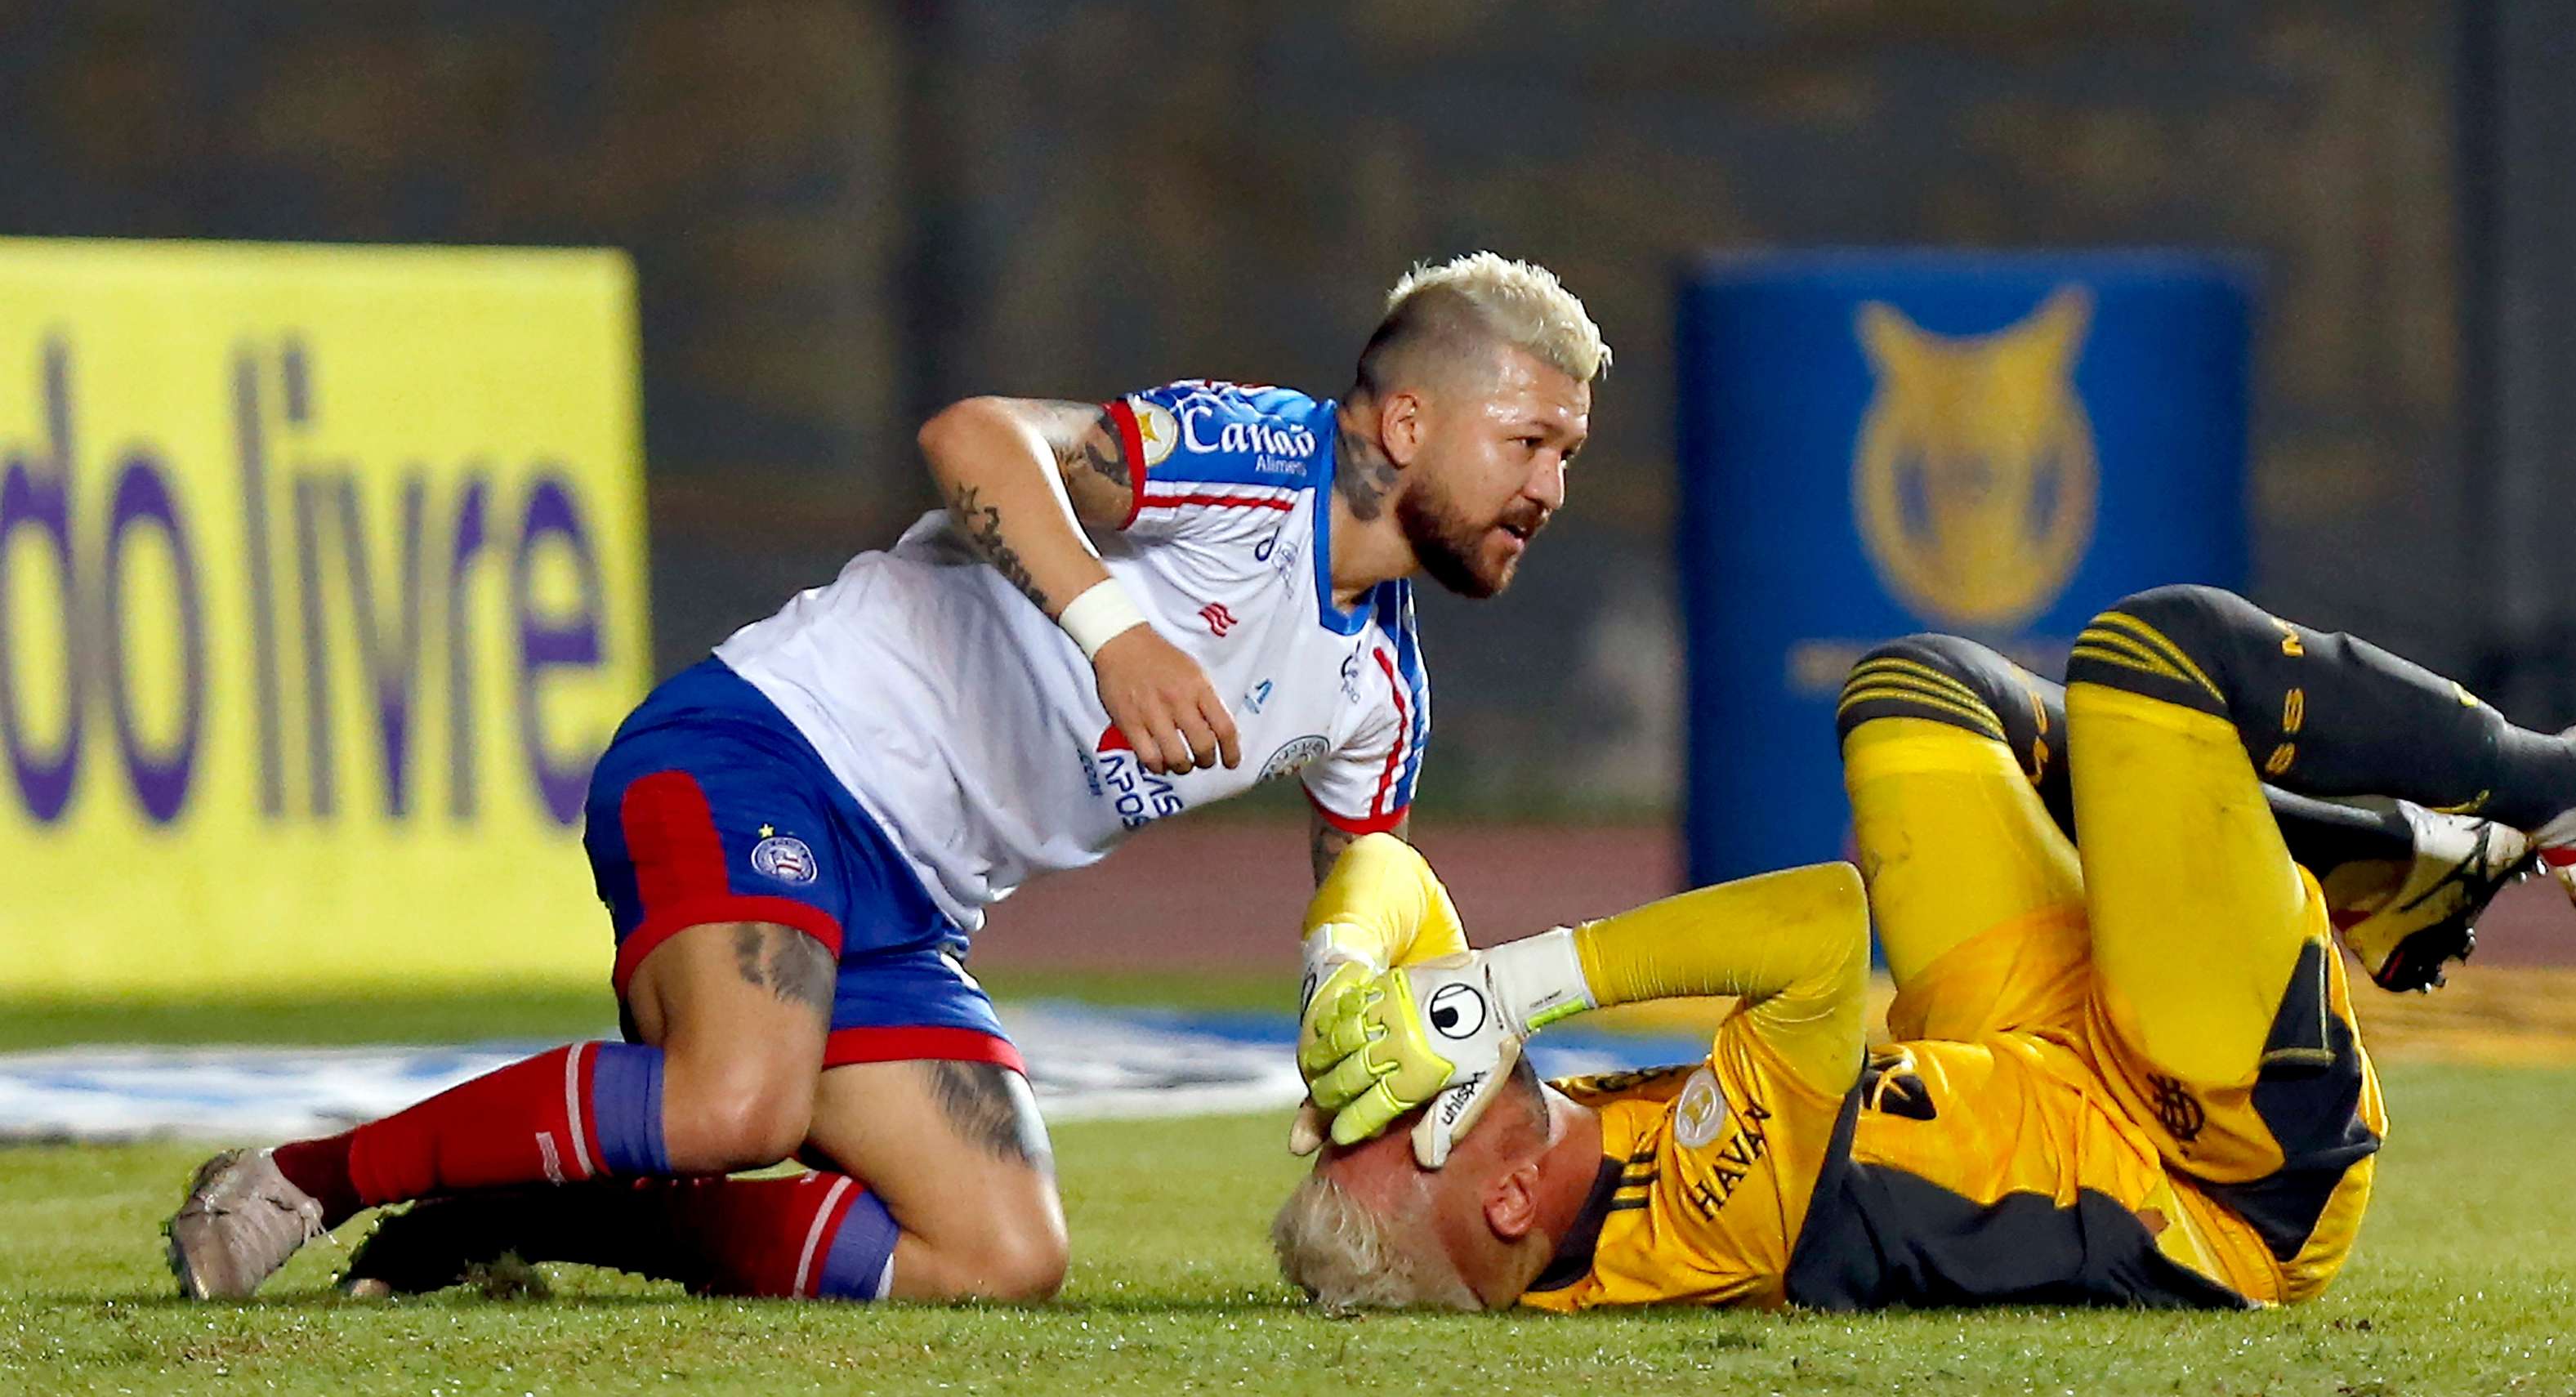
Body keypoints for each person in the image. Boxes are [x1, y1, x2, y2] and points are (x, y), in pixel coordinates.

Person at [164, 252, 1606, 1305]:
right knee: (740, 1106)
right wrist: (1114, 630)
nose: (1550, 489)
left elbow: (1369, 911)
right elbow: (973, 437)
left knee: (1001, 1255)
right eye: (1530, 441)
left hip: (906, 911)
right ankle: (301, 1179)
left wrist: (1387, 1057)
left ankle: (544, 1220)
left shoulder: (1384, 694)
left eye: (1569, 456)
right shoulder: (1260, 463)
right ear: (1406, 425)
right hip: (763, 753)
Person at [1272, 585, 2576, 1311]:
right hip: (2221, 1164)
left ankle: (2388, 872)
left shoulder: (1555, 1173)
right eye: (1393, 1118)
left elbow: (1387, 866)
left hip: (2037, 1057)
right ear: (1511, 1193)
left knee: (1915, 692)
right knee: (2155, 666)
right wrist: (1516, 982)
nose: (1391, 1078)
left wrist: (1342, 972)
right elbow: (1817, 925)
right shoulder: (1706, 1222)